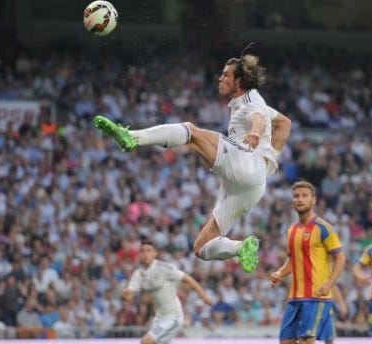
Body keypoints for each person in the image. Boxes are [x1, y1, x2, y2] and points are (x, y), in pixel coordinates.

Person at [94, 48, 292, 273]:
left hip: (245, 165)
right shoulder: (255, 103)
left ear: (240, 81)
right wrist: (269, 161)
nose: (220, 78)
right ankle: (241, 247)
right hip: (252, 186)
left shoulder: (250, 99)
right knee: (201, 247)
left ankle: (133, 138)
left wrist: (256, 133)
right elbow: (285, 124)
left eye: (226, 75)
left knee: (190, 131)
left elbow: (256, 117)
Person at [269, 181, 346, 344]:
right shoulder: (292, 230)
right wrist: (279, 274)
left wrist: (330, 283)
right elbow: (293, 261)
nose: (300, 199)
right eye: (296, 196)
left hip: (316, 296)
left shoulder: (323, 227)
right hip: (295, 297)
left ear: (313, 200)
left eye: (304, 195)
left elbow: (340, 257)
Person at [122, 240, 213, 344]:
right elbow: (130, 295)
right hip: (160, 318)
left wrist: (203, 296)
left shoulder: (163, 268)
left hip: (173, 316)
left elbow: (187, 279)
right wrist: (125, 295)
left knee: (145, 343)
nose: (145, 254)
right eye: (142, 251)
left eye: (148, 250)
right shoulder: (139, 274)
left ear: (154, 253)